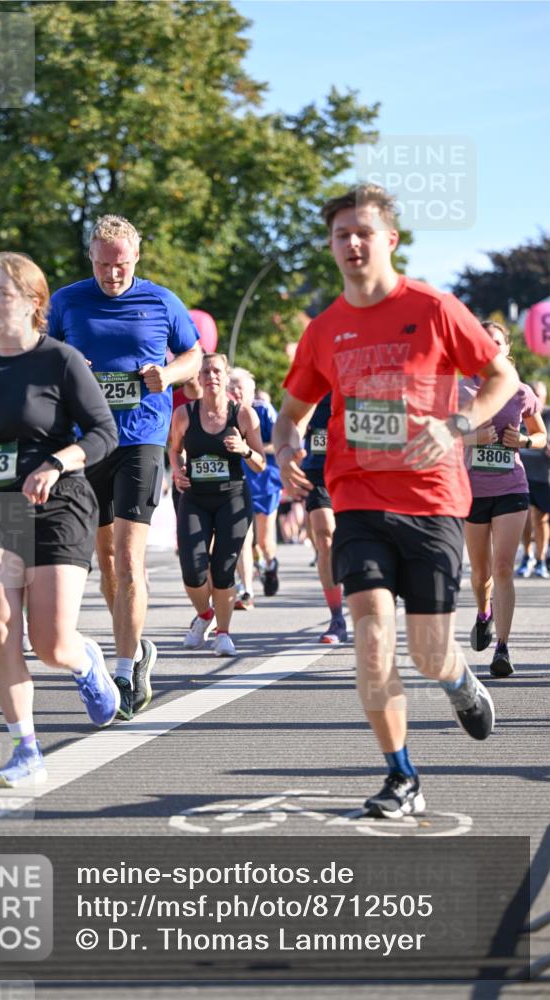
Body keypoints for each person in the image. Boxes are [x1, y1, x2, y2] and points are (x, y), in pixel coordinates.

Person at [273, 183, 518, 819]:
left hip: (433, 500)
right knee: (372, 639)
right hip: (357, 500)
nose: (352, 243)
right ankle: (402, 775)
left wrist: (457, 424)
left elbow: (502, 378)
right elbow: (292, 410)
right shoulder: (325, 328)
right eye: (341, 234)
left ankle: (459, 679)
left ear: (390, 239)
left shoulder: (434, 308)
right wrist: (285, 444)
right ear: (332, 245)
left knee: (429, 651)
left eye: (363, 232)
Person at [0, 252, 119, 787]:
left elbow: (103, 434)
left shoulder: (61, 360)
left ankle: (84, 660)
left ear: (34, 302)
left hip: (55, 502)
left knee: (50, 642)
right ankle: (26, 749)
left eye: (2, 293)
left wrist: (57, 463)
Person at [49, 215, 201, 720]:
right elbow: (42, 356)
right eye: (102, 265)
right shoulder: (67, 302)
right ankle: (135, 650)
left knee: (130, 558)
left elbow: (194, 354)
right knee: (107, 559)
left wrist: (168, 373)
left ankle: (122, 670)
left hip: (142, 437)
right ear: (90, 258)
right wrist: (68, 367)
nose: (112, 275)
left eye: (121, 265)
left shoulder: (161, 301)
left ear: (136, 257)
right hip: (88, 442)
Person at [461, 322, 546, 676]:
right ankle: (484, 613)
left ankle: (503, 648)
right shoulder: (461, 390)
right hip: (473, 490)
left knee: (502, 568)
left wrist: (523, 441)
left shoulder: (521, 392)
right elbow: (440, 435)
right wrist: (472, 438)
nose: (490, 347)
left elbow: (541, 435)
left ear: (506, 349)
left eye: (496, 342)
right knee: (481, 573)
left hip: (512, 486)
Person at [170, 353, 265, 655]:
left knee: (223, 570)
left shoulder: (244, 415)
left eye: (217, 371)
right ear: (198, 378)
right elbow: (174, 449)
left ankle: (223, 633)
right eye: (206, 372)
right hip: (195, 498)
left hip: (232, 498)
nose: (211, 376)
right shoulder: (184, 414)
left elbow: (261, 463)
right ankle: (205, 614)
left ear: (226, 376)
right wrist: (178, 470)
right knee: (192, 569)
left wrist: (244, 450)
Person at [299, 392, 347, 644]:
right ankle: (337, 618)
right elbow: (291, 419)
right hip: (318, 471)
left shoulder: (360, 381)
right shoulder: (313, 386)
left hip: (355, 472)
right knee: (324, 536)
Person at [229, 368, 283, 596]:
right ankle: (245, 586)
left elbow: (280, 442)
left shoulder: (263, 410)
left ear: (251, 392)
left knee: (264, 541)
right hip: (237, 483)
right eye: (231, 386)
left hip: (266, 481)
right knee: (242, 536)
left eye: (240, 387)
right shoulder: (222, 413)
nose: (235, 391)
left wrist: (251, 447)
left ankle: (270, 565)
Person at [519, 380, 550, 579]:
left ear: (545, 397)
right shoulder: (518, 412)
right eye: (534, 394)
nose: (537, 398)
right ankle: (527, 555)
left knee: (540, 519)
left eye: (540, 395)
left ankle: (540, 559)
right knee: (525, 518)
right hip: (520, 474)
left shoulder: (547, 416)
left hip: (543, 477)